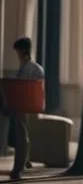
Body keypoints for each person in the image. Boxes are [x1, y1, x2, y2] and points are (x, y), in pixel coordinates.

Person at [6, 38, 44, 181]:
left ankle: (19, 168)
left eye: (17, 51)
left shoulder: (31, 68)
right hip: (24, 106)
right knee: (21, 136)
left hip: (24, 105)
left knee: (21, 137)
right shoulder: (27, 67)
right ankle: (23, 162)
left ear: (22, 51)